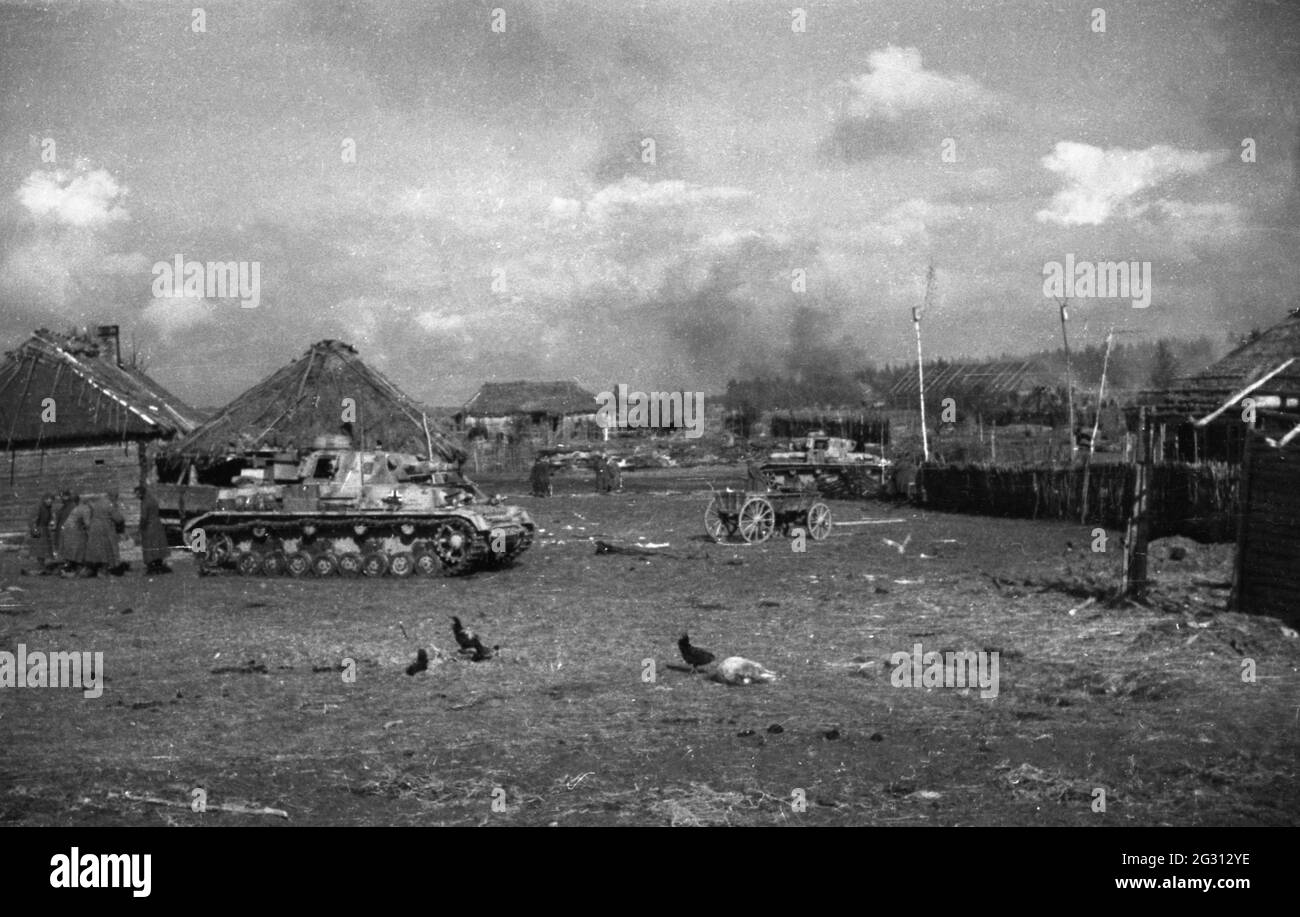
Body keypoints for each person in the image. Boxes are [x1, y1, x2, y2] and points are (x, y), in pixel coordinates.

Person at [83, 491, 126, 577]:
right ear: (113, 496)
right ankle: (104, 570)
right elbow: (118, 519)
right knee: (107, 549)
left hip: (94, 528)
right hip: (105, 529)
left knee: (95, 550)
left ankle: (91, 569)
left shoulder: (98, 502)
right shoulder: (110, 504)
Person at [135, 484, 171, 574]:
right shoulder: (152, 499)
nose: (136, 496)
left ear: (141, 493)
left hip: (149, 526)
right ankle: (159, 567)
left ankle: (151, 569)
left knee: (149, 546)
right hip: (157, 525)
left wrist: (140, 529)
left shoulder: (145, 502)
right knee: (157, 546)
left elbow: (144, 517)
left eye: (137, 494)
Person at [28, 493, 57, 574]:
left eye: (51, 499)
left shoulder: (48, 508)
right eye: (47, 499)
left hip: (45, 529)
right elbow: (34, 519)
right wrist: (34, 529)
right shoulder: (39, 507)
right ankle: (40, 566)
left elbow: (50, 518)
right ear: (44, 499)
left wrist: (52, 521)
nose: (49, 501)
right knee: (40, 550)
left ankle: (42, 566)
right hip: (39, 529)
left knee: (44, 550)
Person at [60, 494, 88, 576]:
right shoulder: (84, 508)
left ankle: (70, 565)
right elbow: (87, 523)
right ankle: (78, 566)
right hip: (74, 530)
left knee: (72, 548)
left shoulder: (74, 508)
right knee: (81, 544)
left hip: (66, 530)